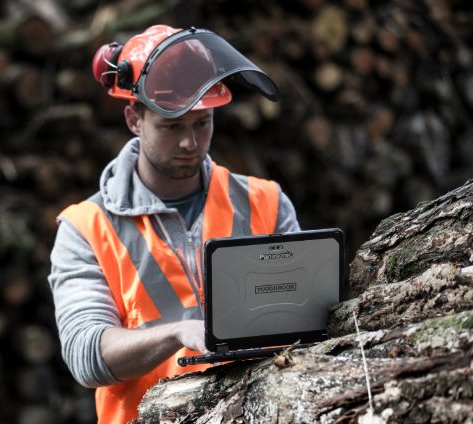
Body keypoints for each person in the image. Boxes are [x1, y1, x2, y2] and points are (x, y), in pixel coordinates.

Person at [47, 25, 301, 424]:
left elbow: (305, 311)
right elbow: (86, 356)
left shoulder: (264, 202)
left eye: (202, 123)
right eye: (172, 126)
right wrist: (177, 333)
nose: (190, 143)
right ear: (134, 119)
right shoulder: (86, 228)